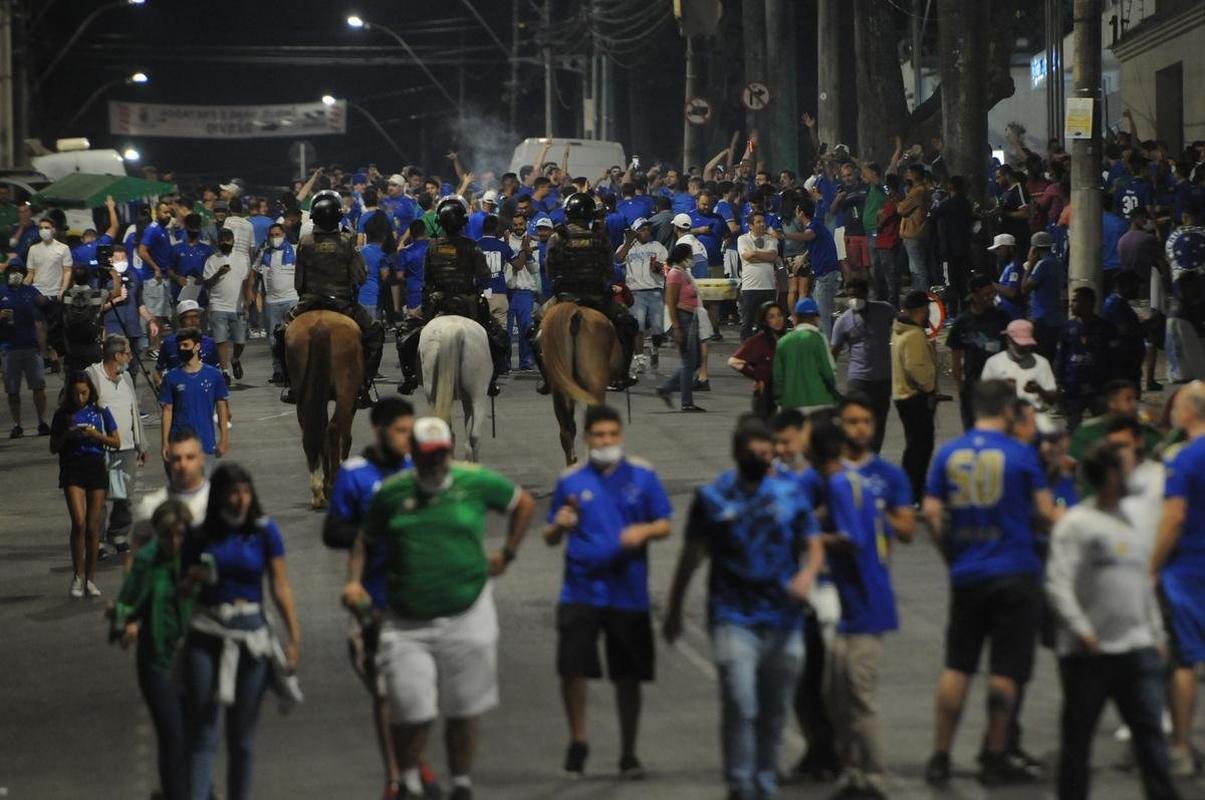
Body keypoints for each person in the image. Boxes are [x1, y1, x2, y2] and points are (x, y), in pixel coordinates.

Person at [343, 417, 536, 800]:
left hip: (468, 614)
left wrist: (508, 554)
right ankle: (409, 779)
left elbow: (522, 503)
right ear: (413, 454)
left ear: (449, 452)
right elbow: (364, 540)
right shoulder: (392, 493)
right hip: (406, 622)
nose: (435, 463)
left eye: (440, 455)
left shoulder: (476, 481)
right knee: (409, 710)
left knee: (464, 709)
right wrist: (354, 582)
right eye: (427, 456)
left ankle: (461, 782)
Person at [664, 415, 825, 800]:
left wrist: (808, 576)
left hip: (783, 617)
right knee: (741, 700)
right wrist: (674, 607)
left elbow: (812, 541)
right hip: (732, 614)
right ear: (737, 454)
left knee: (774, 711)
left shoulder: (790, 494)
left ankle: (765, 782)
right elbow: (692, 554)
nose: (762, 461)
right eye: (755, 454)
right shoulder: (712, 498)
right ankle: (740, 783)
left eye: (766, 454)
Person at [922, 379, 1063, 786]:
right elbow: (1043, 513)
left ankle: (941, 755)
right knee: (1006, 668)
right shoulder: (1019, 454)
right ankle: (996, 753)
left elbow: (932, 512)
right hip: (1015, 571)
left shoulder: (949, 453)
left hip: (968, 572)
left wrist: (951, 554)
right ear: (1007, 411)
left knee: (957, 666)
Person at [1045, 444, 1180, 800]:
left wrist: (1156, 633)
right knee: (1077, 741)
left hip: (1136, 649)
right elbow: (1058, 584)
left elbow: (1142, 582)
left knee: (1150, 739)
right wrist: (1083, 631)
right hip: (1088, 655)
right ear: (1107, 477)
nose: (1130, 476)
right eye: (1122, 470)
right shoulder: (1076, 524)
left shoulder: (1132, 521)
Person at [544, 405, 672, 778]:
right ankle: (578, 739)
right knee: (573, 669)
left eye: (611, 435)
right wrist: (560, 526)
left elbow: (664, 522)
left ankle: (629, 752)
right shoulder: (570, 481)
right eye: (598, 436)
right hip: (580, 591)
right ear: (586, 439)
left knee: (628, 676)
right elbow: (550, 535)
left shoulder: (643, 476)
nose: (605, 442)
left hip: (627, 593)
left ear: (620, 436)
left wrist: (643, 532)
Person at [322, 397, 440, 799]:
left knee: (423, 694)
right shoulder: (355, 474)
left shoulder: (419, 468)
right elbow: (332, 530)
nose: (410, 439)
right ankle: (397, 776)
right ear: (379, 432)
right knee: (388, 693)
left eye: (412, 430)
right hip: (374, 600)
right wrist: (372, 533)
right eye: (401, 431)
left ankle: (414, 760)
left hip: (419, 596)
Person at [180, 463, 302, 800]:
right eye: (233, 492)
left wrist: (293, 636)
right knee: (204, 731)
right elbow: (181, 592)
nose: (241, 499)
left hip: (251, 634)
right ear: (220, 496)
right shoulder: (198, 535)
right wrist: (192, 578)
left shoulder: (264, 532)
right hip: (207, 631)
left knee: (242, 738)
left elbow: (280, 587)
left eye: (246, 491)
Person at [809, 415, 907, 798]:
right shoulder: (853, 482)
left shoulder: (837, 485)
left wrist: (814, 537)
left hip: (866, 604)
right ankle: (851, 769)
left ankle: (876, 775)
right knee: (836, 693)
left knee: (859, 695)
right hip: (853, 604)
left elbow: (850, 539)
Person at [110, 499, 194, 800]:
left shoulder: (197, 560)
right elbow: (126, 602)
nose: (175, 541)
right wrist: (124, 623)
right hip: (157, 657)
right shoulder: (147, 560)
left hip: (195, 658)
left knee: (193, 734)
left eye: (180, 534)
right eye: (168, 535)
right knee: (171, 733)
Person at [275, 189, 384, 406]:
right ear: (338, 217)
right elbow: (359, 277)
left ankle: (290, 383)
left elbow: (299, 282)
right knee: (375, 334)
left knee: (280, 335)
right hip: (343, 304)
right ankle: (364, 384)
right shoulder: (347, 241)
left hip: (309, 302)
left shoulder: (305, 242)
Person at [396, 196, 508, 398]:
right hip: (469, 303)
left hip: (437, 302)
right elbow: (484, 275)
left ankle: (409, 377)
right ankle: (492, 381)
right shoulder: (472, 246)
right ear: (463, 223)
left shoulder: (431, 246)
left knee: (404, 335)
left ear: (440, 223)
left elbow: (427, 280)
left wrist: (426, 310)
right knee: (499, 337)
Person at [1150, 380, 1205, 777]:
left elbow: (1173, 519)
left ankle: (1182, 746)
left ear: (1187, 413)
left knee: (1184, 660)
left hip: (1187, 570)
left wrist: (1151, 566)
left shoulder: (1183, 461)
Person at [532, 192, 638, 394]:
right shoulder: (599, 236)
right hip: (597, 297)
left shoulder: (557, 237)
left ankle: (547, 378)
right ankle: (622, 374)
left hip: (565, 297)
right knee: (627, 324)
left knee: (533, 329)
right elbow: (608, 268)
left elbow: (550, 269)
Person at [50, 370, 121, 599]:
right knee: (78, 523)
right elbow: (53, 447)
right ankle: (77, 576)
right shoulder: (63, 415)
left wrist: (95, 435)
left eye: (84, 393)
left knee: (93, 527)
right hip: (72, 468)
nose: (81, 398)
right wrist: (68, 436)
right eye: (76, 394)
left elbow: (116, 441)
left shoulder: (100, 412)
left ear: (90, 391)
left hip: (95, 467)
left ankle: (91, 578)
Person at [85, 334, 146, 557]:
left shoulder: (127, 378)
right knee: (98, 497)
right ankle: (97, 541)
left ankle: (117, 533)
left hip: (126, 447)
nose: (130, 356)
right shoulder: (92, 376)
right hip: (101, 449)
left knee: (123, 496)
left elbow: (134, 414)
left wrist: (141, 444)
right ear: (116, 355)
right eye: (127, 352)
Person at [831, 277, 894, 452]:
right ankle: (856, 455)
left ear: (866, 294)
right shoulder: (843, 321)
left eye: (857, 295)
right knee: (856, 422)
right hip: (858, 380)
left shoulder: (884, 310)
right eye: (850, 296)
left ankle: (873, 457)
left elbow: (897, 327)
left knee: (879, 423)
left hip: (883, 379)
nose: (854, 299)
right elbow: (833, 353)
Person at [891, 290, 938, 504]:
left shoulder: (899, 330)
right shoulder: (914, 334)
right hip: (915, 397)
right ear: (921, 309)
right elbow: (915, 367)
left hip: (902, 395)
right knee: (920, 448)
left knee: (913, 447)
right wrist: (929, 388)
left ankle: (908, 491)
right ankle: (913, 493)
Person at [158, 327, 230, 467]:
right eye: (179, 346)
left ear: (197, 346)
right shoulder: (171, 378)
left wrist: (224, 439)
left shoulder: (214, 375)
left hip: (206, 444)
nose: (181, 349)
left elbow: (222, 407)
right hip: (179, 445)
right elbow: (167, 411)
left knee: (206, 487)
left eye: (186, 345)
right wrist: (165, 443)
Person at [131, 429, 211, 555]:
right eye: (177, 459)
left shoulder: (220, 502)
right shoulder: (151, 506)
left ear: (202, 459)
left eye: (190, 457)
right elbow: (136, 559)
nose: (183, 464)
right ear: (168, 461)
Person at [947, 275, 1010, 431]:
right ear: (975, 294)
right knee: (972, 428)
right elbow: (956, 357)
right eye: (987, 294)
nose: (991, 298)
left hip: (998, 384)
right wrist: (960, 385)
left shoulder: (1001, 318)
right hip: (972, 385)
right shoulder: (962, 322)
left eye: (993, 294)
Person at [1056, 286, 1121, 430]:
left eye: (1076, 301)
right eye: (1072, 301)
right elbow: (1061, 356)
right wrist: (1059, 382)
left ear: (1089, 303)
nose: (1072, 304)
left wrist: (1114, 385)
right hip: (1073, 385)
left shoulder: (1105, 328)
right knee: (1073, 426)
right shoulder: (1067, 328)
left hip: (1099, 386)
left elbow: (1114, 359)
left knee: (1103, 426)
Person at [1, 260, 51, 437]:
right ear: (7, 273)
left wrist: (46, 348)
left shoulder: (30, 291)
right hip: (9, 348)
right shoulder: (1, 292)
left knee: (38, 387)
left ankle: (42, 422)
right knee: (12, 390)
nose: (15, 273)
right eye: (12, 270)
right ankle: (17, 425)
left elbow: (45, 309)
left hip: (31, 347)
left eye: (19, 271)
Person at [655, 243, 706, 413]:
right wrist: (677, 327)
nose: (692, 258)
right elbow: (670, 301)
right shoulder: (675, 274)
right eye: (690, 255)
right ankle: (686, 402)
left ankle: (667, 388)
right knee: (688, 361)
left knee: (695, 360)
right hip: (683, 319)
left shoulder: (683, 272)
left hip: (692, 318)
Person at [785, 195, 841, 338]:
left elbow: (806, 237)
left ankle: (827, 348)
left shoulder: (814, 225)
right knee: (820, 312)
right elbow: (815, 244)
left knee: (822, 315)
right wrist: (803, 257)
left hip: (826, 275)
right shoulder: (816, 225)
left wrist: (783, 235)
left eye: (797, 211)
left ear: (801, 212)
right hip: (824, 275)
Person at [981, 319, 1060, 419]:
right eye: (1018, 344)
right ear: (1008, 339)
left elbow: (1052, 399)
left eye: (1026, 345)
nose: (1022, 348)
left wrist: (1039, 389)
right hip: (1003, 419)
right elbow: (983, 396)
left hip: (1034, 419)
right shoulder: (994, 362)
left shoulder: (1042, 363)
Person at [202, 228, 251, 386]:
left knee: (240, 341)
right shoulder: (212, 260)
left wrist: (247, 302)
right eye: (222, 240)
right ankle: (224, 371)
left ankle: (235, 359)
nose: (225, 243)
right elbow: (207, 283)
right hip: (218, 305)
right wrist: (218, 273)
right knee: (221, 340)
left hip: (237, 305)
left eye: (228, 240)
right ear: (218, 241)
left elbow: (246, 281)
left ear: (233, 241)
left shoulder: (242, 258)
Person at [1069, 379, 1161, 462]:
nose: (1134, 404)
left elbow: (1165, 457)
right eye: (1128, 399)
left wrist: (1160, 424)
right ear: (1112, 403)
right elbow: (1073, 465)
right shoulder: (1088, 432)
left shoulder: (1145, 430)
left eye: (1135, 399)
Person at [774, 297, 838, 412]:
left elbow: (778, 377)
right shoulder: (819, 339)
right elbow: (829, 372)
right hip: (818, 403)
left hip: (790, 405)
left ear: (796, 318)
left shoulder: (783, 342)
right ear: (816, 318)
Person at [255, 224, 298, 385]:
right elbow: (256, 274)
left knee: (292, 338)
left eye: (277, 234)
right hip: (272, 302)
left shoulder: (295, 250)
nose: (275, 237)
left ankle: (294, 369)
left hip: (291, 299)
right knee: (273, 340)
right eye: (272, 235)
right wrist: (255, 297)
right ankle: (278, 371)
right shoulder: (264, 253)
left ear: (284, 234)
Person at [728, 300, 787, 418]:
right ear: (764, 320)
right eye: (771, 317)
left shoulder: (787, 338)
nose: (777, 320)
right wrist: (757, 376)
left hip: (786, 392)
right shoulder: (759, 340)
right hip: (765, 395)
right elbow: (734, 361)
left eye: (779, 315)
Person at [736, 212, 782, 340]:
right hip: (750, 287)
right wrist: (765, 257)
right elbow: (746, 257)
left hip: (768, 286)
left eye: (763, 221)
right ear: (751, 225)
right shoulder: (743, 239)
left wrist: (755, 253)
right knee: (747, 322)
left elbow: (773, 256)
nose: (762, 224)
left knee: (768, 323)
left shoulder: (771, 239)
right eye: (758, 222)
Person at [1020, 231, 1065, 362]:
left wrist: (1029, 264)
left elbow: (1024, 288)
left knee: (1039, 358)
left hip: (1043, 319)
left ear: (1034, 248)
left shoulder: (1042, 264)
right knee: (1050, 356)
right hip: (1056, 317)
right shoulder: (1057, 262)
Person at [156, 300, 219, 378]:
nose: (193, 321)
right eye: (188, 317)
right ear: (180, 321)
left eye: (196, 316)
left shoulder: (209, 342)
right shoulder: (169, 343)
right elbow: (160, 370)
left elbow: (216, 369)